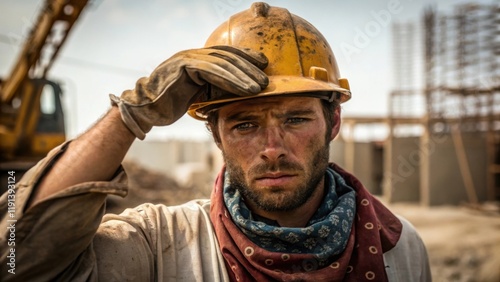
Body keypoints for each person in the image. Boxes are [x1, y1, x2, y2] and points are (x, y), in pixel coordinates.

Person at [0, 2, 431, 281]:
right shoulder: (162, 245)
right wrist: (133, 113)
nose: (272, 147)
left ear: (333, 120)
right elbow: (15, 260)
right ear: (215, 134)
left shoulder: (401, 247)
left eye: (296, 118)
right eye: (244, 125)